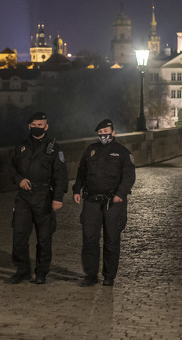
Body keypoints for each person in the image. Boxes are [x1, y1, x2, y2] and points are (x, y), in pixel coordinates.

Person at [7, 112, 68, 284]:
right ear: (29, 126)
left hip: (44, 196)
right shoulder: (21, 146)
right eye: (33, 124)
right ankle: (22, 270)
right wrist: (19, 180)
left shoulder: (54, 147)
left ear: (46, 127)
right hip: (24, 196)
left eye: (40, 125)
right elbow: (11, 168)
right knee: (19, 235)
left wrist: (58, 198)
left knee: (44, 237)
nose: (36, 127)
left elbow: (61, 174)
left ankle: (41, 272)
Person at [72, 119, 136, 287]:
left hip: (113, 203)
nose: (103, 135)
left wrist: (120, 194)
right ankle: (90, 274)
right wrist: (76, 189)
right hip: (92, 201)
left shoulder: (122, 152)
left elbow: (129, 176)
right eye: (100, 132)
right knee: (89, 239)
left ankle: (109, 276)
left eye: (106, 131)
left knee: (112, 240)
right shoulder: (91, 150)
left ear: (113, 132)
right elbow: (81, 172)